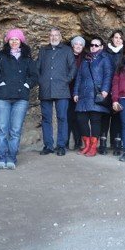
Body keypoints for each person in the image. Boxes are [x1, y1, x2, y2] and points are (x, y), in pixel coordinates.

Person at [0, 28, 38, 169]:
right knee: (2, 129)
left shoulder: (27, 59)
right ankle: (1, 157)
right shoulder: (1, 56)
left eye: (17, 39)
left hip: (21, 98)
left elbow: (34, 75)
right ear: (8, 41)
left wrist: (27, 84)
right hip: (3, 97)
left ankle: (11, 157)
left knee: (15, 130)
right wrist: (0, 83)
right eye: (11, 39)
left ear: (21, 41)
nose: (14, 42)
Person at [37, 27, 77, 156]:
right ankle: (48, 145)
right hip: (46, 89)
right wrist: (41, 81)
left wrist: (67, 80)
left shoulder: (67, 50)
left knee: (62, 118)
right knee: (46, 118)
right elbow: (37, 67)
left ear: (60, 37)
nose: (54, 38)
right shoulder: (43, 50)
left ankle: (61, 146)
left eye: (56, 35)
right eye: (51, 35)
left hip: (62, 89)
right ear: (49, 37)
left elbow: (73, 68)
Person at [73, 37, 113, 157]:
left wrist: (105, 90)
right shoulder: (86, 59)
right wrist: (75, 92)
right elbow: (79, 77)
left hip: (96, 94)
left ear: (101, 47)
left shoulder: (105, 58)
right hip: (83, 95)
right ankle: (87, 145)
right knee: (81, 119)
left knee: (95, 121)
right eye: (92, 45)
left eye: (96, 45)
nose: (93, 47)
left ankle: (93, 147)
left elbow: (108, 74)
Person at [100, 30, 125, 155]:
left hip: (120, 89)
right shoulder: (105, 52)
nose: (118, 40)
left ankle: (117, 145)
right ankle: (103, 144)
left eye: (120, 38)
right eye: (116, 37)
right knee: (105, 116)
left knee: (117, 117)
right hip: (106, 88)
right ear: (112, 38)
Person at [67, 36, 87, 150]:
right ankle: (64, 142)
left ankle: (78, 141)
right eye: (76, 44)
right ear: (72, 45)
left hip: (80, 92)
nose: (78, 46)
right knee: (67, 117)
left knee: (79, 118)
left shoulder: (85, 58)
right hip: (67, 91)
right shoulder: (67, 56)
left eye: (80, 44)